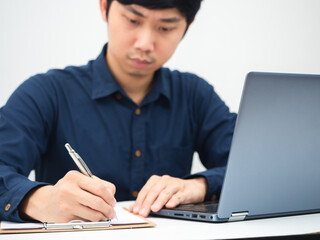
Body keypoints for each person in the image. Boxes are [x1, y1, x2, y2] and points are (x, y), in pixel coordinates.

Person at [0, 0, 236, 223]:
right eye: (133, 20)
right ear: (105, 7)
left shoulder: (196, 96)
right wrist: (39, 200)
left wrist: (199, 185)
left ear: (187, 26)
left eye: (165, 27)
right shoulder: (46, 93)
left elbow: (255, 167)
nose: (144, 43)